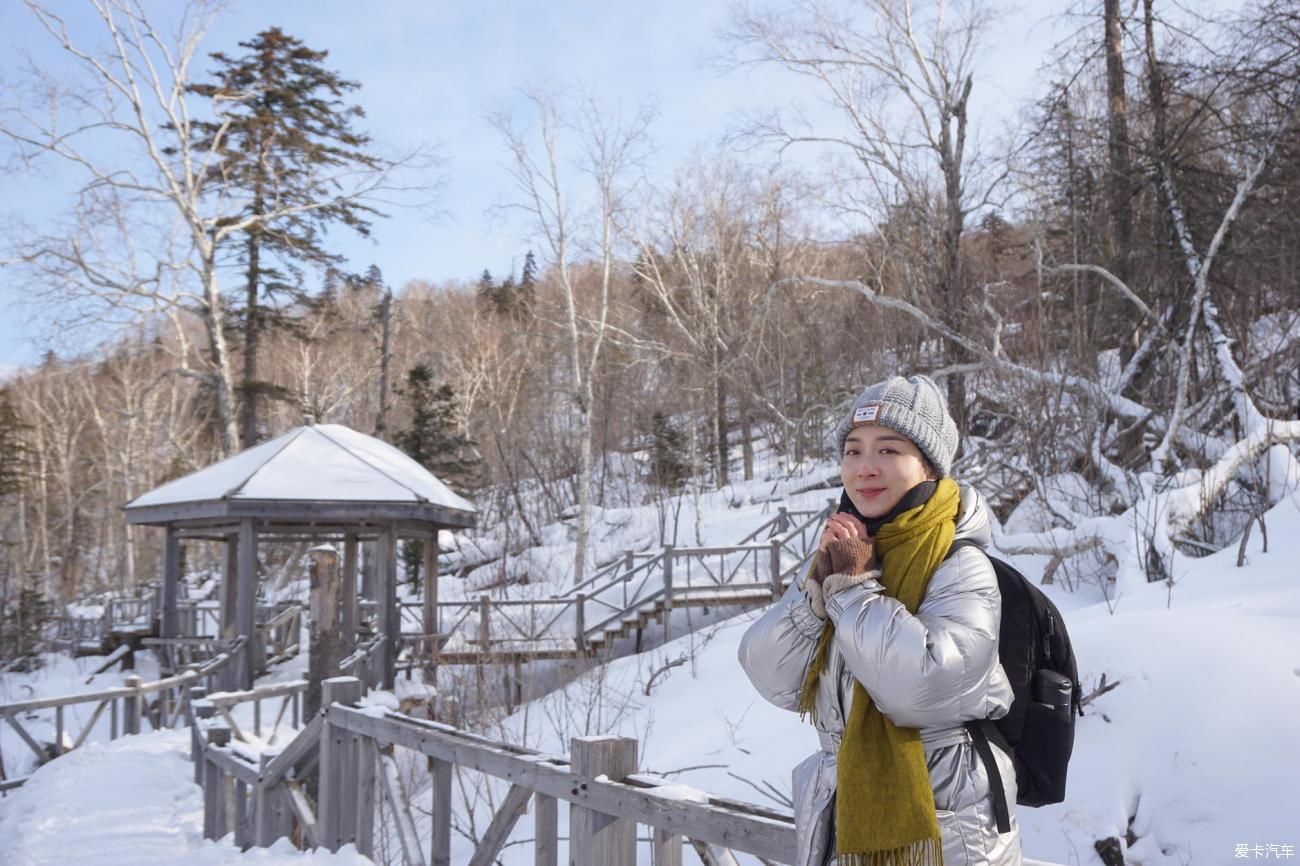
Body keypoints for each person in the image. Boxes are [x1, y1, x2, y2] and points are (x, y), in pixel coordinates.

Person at [739, 375, 1022, 866]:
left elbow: (928, 685)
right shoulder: (848, 551)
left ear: (929, 466)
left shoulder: (959, 563)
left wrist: (852, 590)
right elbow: (772, 677)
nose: (865, 468)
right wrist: (816, 596)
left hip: (944, 828)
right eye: (853, 450)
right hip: (843, 817)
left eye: (889, 451)